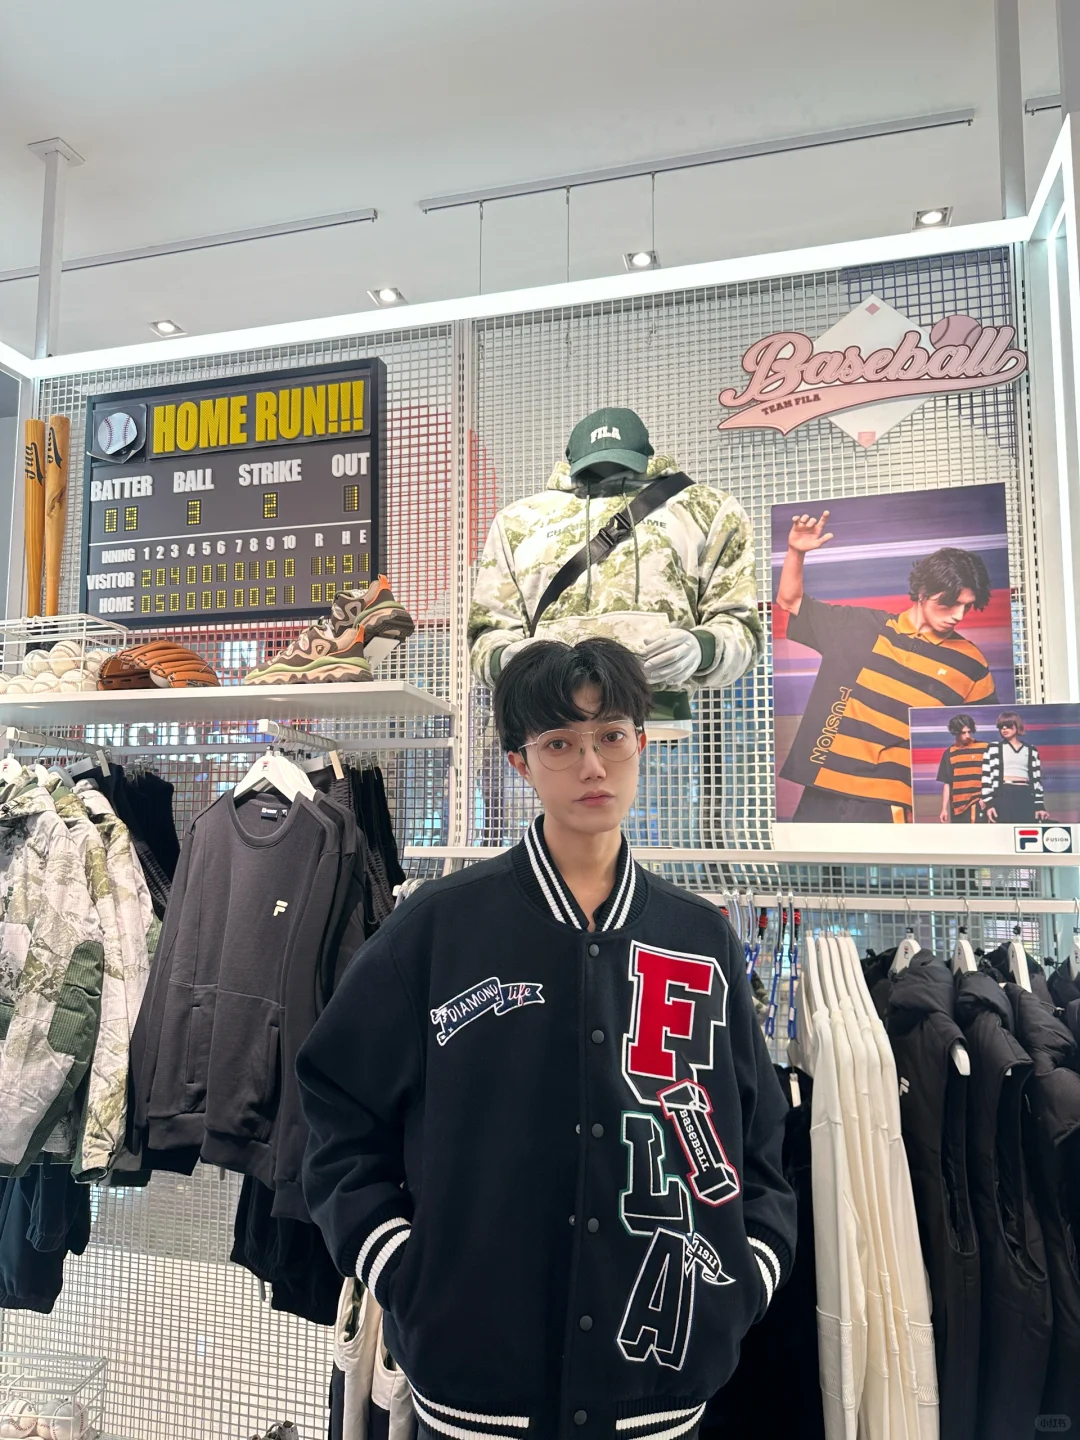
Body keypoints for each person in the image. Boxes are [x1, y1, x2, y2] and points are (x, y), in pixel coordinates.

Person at [297, 637, 796, 1440]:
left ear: (642, 742)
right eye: (560, 743)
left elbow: (761, 1142)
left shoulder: (698, 938)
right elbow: (335, 1111)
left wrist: (747, 1278)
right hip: (477, 1389)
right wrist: (405, 1271)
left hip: (659, 1384)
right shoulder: (439, 928)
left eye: (611, 736)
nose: (592, 766)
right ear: (520, 764)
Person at [774, 510, 998, 822]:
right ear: (922, 592)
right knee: (805, 857)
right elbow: (790, 601)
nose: (958, 615)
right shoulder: (858, 625)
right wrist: (796, 552)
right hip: (825, 789)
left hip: (892, 803)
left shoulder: (971, 663)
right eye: (949, 603)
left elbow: (983, 739)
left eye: (967, 606)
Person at [981, 711, 1048, 824]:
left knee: (1025, 829)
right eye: (1001, 726)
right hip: (1003, 794)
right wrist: (989, 804)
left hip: (1025, 794)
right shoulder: (993, 748)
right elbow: (986, 777)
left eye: (1008, 725)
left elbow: (1037, 780)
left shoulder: (1031, 750)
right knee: (1003, 831)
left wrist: (1039, 805)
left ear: (1017, 726)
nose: (1004, 728)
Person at [936, 714, 989, 823]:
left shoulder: (984, 748)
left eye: (969, 731)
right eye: (963, 733)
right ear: (955, 732)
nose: (967, 735)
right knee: (960, 834)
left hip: (977, 803)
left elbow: (993, 775)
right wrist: (944, 808)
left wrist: (987, 799)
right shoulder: (949, 753)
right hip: (957, 807)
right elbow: (947, 783)